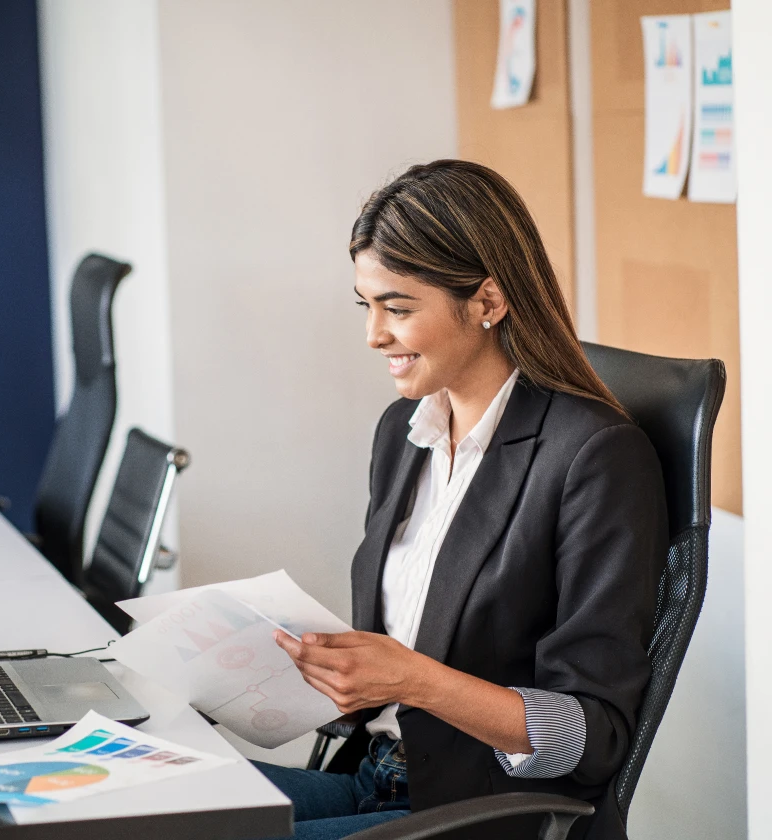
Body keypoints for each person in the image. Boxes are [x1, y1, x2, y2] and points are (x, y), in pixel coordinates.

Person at [255, 160, 667, 840]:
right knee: (139, 810)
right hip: (374, 773)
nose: (374, 334)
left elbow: (594, 735)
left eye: (399, 307)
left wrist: (411, 679)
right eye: (368, 305)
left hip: (471, 809)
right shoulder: (404, 433)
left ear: (487, 302)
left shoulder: (594, 457)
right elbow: (401, 648)